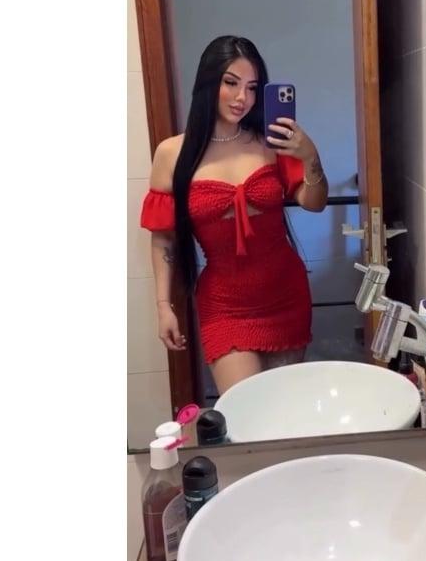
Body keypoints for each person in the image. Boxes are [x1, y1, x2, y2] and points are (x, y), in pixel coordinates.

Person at [140, 35, 328, 394]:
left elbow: (314, 202)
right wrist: (164, 306)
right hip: (224, 306)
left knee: (284, 409)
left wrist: (310, 156)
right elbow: (163, 237)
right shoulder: (172, 153)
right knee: (246, 412)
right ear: (208, 82)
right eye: (231, 83)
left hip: (285, 294)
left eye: (252, 88)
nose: (243, 98)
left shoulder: (271, 143)